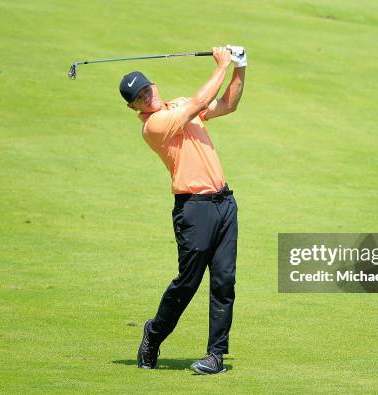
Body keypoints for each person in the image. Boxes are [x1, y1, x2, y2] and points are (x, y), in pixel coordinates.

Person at [119, 45, 246, 374]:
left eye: (148, 89)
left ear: (154, 85)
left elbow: (227, 104)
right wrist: (221, 65)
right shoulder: (154, 126)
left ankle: (215, 355)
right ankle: (154, 333)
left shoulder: (175, 105)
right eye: (139, 98)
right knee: (188, 282)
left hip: (224, 203)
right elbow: (200, 102)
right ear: (134, 108)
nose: (147, 97)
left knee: (224, 281)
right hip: (194, 208)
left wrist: (239, 68)